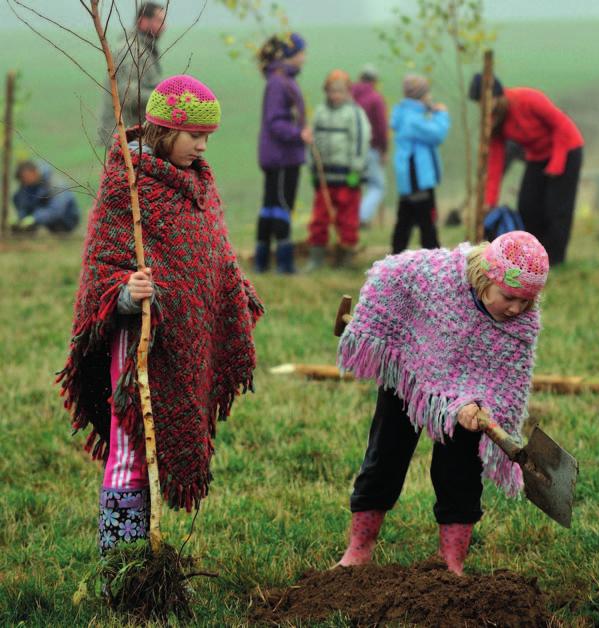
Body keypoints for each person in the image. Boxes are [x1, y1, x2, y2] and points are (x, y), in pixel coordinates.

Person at [58, 75, 263, 554]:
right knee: (130, 444)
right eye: (195, 135)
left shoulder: (199, 183)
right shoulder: (126, 186)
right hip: (138, 342)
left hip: (181, 341)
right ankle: (121, 562)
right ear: (166, 130)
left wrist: (232, 295)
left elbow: (212, 254)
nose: (203, 145)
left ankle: (146, 551)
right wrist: (126, 293)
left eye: (208, 136)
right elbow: (102, 269)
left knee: (152, 450)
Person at [335, 231, 549, 576]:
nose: (517, 309)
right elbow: (391, 272)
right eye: (510, 297)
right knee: (385, 456)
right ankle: (358, 549)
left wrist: (477, 404)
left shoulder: (520, 325)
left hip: (470, 408)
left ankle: (452, 563)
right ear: (485, 278)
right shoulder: (436, 275)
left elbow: (505, 380)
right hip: (411, 377)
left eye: (527, 301)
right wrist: (376, 325)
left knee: (460, 472)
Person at [469, 74, 584, 265]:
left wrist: (556, 163)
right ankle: (536, 258)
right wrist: (489, 201)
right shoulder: (495, 120)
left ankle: (554, 259)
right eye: (480, 103)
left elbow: (561, 124)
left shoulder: (527, 99)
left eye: (486, 101)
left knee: (556, 208)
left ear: (497, 94)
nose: (484, 107)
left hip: (566, 148)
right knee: (527, 206)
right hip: (537, 156)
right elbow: (495, 163)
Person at [254, 32, 311, 274]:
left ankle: (263, 261)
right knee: (280, 206)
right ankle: (284, 263)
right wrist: (299, 134)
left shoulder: (282, 79)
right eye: (301, 53)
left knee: (271, 206)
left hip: (282, 156)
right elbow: (275, 121)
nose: (304, 58)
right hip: (281, 157)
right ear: (289, 55)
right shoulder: (279, 82)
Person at [306, 69, 371, 270]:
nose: (335, 95)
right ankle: (316, 259)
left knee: (347, 218)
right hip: (325, 176)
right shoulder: (320, 112)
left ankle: (345, 258)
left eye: (340, 91)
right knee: (319, 217)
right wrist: (312, 168)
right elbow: (312, 140)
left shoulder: (355, 113)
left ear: (347, 92)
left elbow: (361, 141)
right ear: (326, 91)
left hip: (347, 176)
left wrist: (356, 169)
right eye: (332, 91)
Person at [390, 75, 450, 254]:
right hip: (418, 177)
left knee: (405, 219)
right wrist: (441, 114)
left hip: (410, 178)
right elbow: (437, 134)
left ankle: (395, 257)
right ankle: (435, 260)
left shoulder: (405, 113)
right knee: (427, 222)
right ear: (421, 95)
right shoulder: (413, 119)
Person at [98, 2, 166, 147]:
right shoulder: (132, 51)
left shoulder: (144, 49)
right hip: (124, 137)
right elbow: (129, 95)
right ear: (143, 21)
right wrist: (165, 98)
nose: (164, 27)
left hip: (133, 135)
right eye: (159, 21)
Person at [351, 64, 388, 228]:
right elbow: (381, 127)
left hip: (349, 150)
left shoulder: (348, 96)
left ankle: (349, 216)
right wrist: (384, 149)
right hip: (370, 148)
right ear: (375, 80)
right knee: (377, 185)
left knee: (354, 184)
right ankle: (362, 217)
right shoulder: (375, 98)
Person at [11, 160, 79, 233]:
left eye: (25, 177)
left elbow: (56, 210)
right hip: (43, 217)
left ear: (34, 172)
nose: (24, 181)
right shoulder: (27, 186)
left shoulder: (55, 184)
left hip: (66, 221)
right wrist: (22, 218)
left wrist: (35, 218)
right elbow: (21, 201)